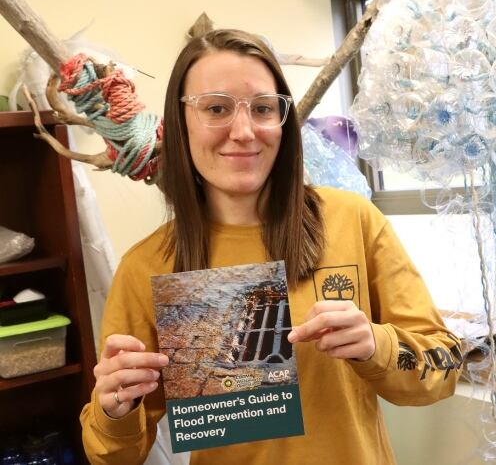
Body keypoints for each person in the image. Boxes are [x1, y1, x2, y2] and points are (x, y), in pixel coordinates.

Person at [80, 29, 463, 464]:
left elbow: (444, 370)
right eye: (217, 108)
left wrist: (375, 344)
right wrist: (115, 407)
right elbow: (110, 456)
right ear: (180, 122)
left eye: (262, 108)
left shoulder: (351, 220)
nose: (243, 131)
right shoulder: (147, 265)